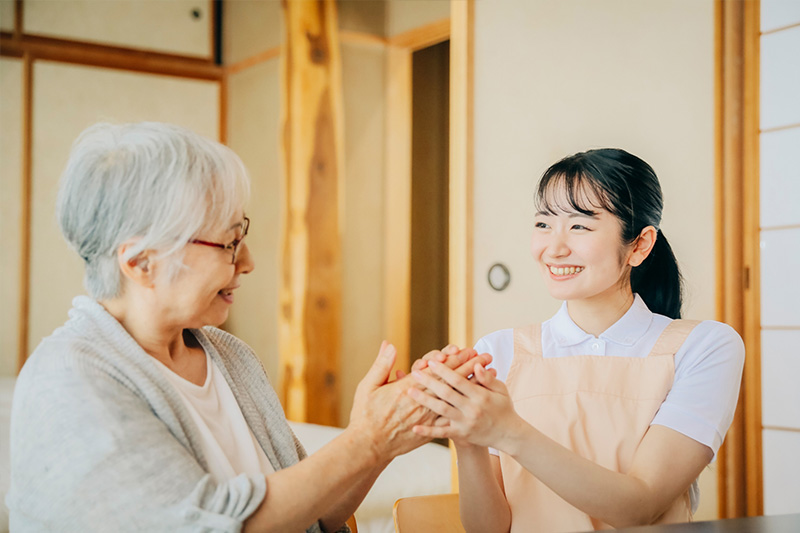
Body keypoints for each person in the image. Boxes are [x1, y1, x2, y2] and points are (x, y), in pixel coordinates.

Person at [6, 122, 489, 532]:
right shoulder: (69, 382)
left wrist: (377, 437)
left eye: (244, 234)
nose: (250, 261)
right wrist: (368, 440)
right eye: (229, 243)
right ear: (140, 262)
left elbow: (313, 514)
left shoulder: (228, 355)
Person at [408, 149, 745, 531]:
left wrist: (506, 431)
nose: (554, 248)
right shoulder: (498, 351)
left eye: (579, 226)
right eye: (543, 224)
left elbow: (640, 507)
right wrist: (467, 438)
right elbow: (488, 529)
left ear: (639, 246)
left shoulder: (702, 347)